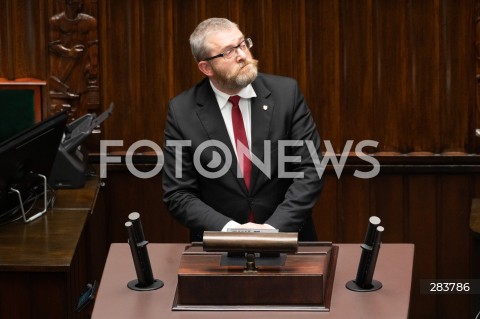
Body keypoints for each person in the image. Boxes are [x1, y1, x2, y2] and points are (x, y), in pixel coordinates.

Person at [162, 18, 323, 242]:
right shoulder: (182, 111)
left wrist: (273, 229)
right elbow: (178, 194)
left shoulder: (286, 94)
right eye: (228, 52)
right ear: (206, 67)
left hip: (288, 239)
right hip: (218, 247)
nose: (242, 55)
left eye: (242, 44)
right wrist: (231, 231)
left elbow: (310, 169)